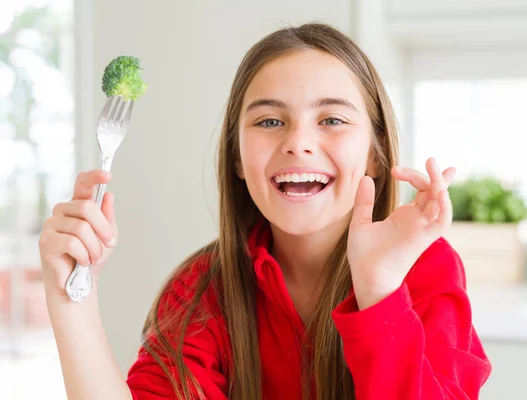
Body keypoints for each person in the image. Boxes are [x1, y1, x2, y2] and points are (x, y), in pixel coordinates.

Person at [39, 23, 492, 400]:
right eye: (269, 121)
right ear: (237, 158)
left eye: (332, 120)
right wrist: (69, 301)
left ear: (375, 153)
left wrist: (379, 293)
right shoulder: (202, 289)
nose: (298, 141)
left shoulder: (427, 271)